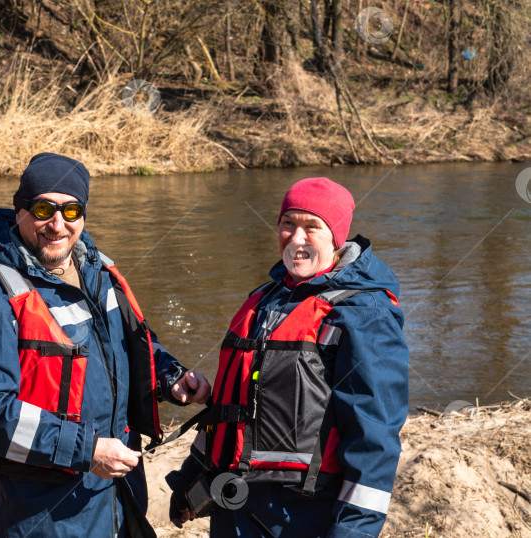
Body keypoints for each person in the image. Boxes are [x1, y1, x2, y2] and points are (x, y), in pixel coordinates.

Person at [0, 152, 211, 537]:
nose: (57, 224)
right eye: (43, 208)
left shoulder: (97, 270)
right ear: (20, 212)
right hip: (38, 511)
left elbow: (128, 345)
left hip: (115, 493)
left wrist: (171, 376)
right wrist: (89, 450)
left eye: (71, 211)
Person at [166, 177, 409, 537]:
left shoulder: (364, 312)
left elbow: (373, 439)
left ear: (336, 237)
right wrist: (191, 480)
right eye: (288, 224)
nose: (296, 238)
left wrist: (353, 531)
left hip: (302, 515)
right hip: (234, 507)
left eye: (312, 227)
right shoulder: (266, 299)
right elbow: (231, 410)